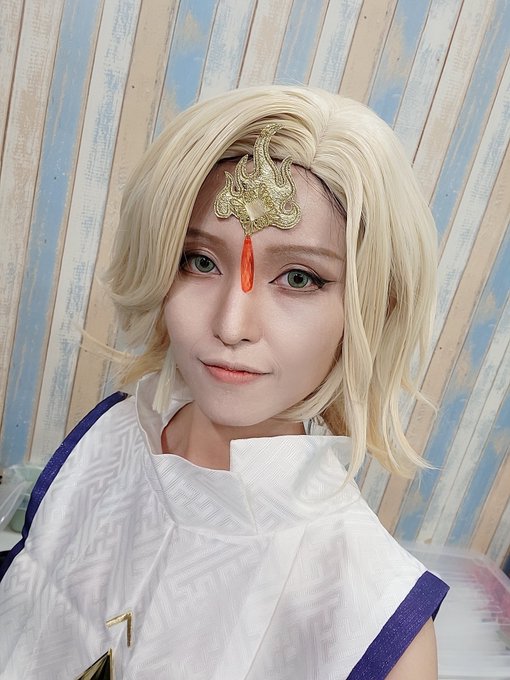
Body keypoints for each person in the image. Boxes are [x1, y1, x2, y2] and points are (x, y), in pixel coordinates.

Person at [0, 85, 448, 679]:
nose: (231, 326)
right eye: (200, 261)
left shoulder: (374, 621)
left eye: (299, 278)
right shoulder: (104, 444)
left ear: (371, 307)